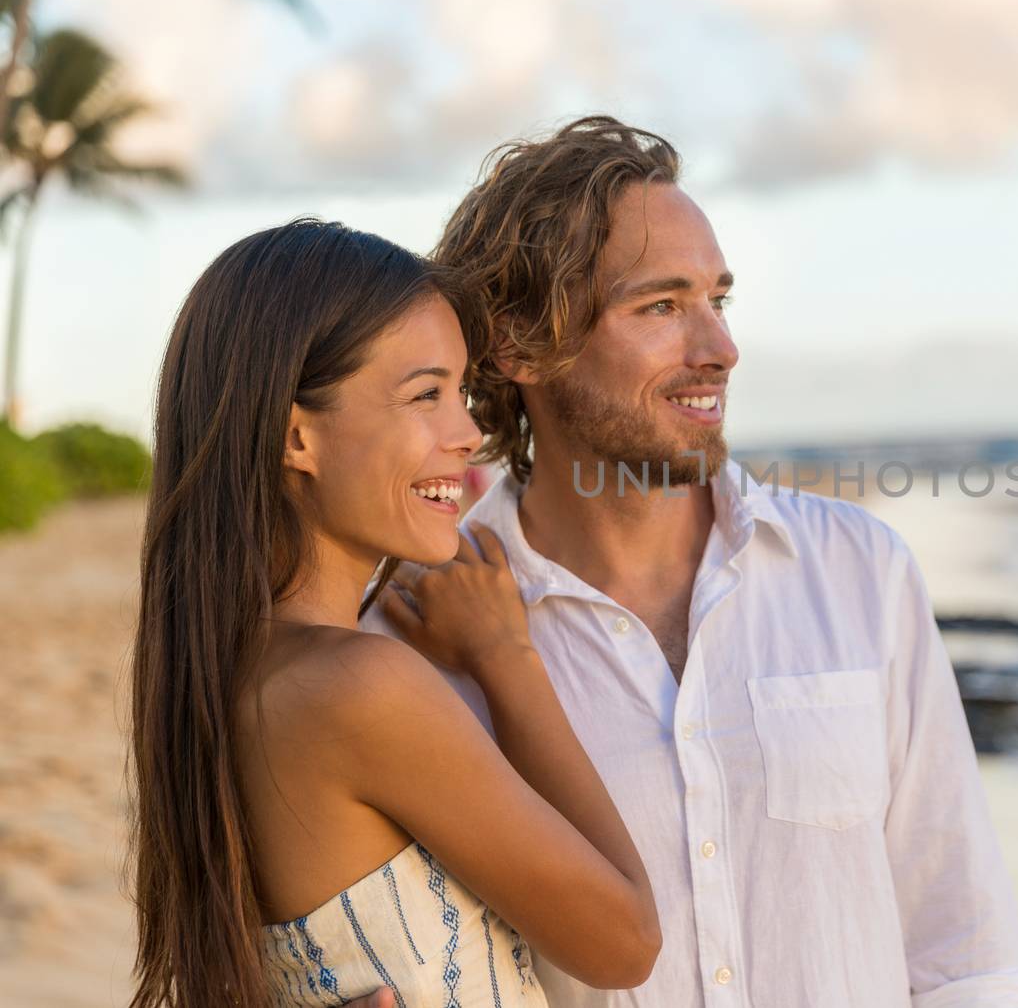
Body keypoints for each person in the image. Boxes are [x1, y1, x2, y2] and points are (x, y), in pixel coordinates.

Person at [360, 116, 1018, 1006]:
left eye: (717, 300)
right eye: (660, 305)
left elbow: (965, 956)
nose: (719, 348)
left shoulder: (859, 573)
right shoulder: (417, 637)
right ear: (519, 346)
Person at [127, 219, 661, 1008]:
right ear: (296, 435)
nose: (469, 434)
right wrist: (506, 655)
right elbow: (624, 940)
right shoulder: (362, 686)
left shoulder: (226, 672)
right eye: (427, 394)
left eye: (463, 394)